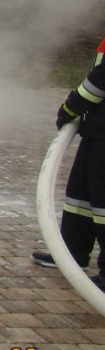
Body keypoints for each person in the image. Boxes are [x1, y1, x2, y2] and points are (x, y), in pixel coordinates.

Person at [32, 38, 105, 289]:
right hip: (98, 130)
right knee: (80, 196)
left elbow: (99, 81)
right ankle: (71, 255)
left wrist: (71, 107)